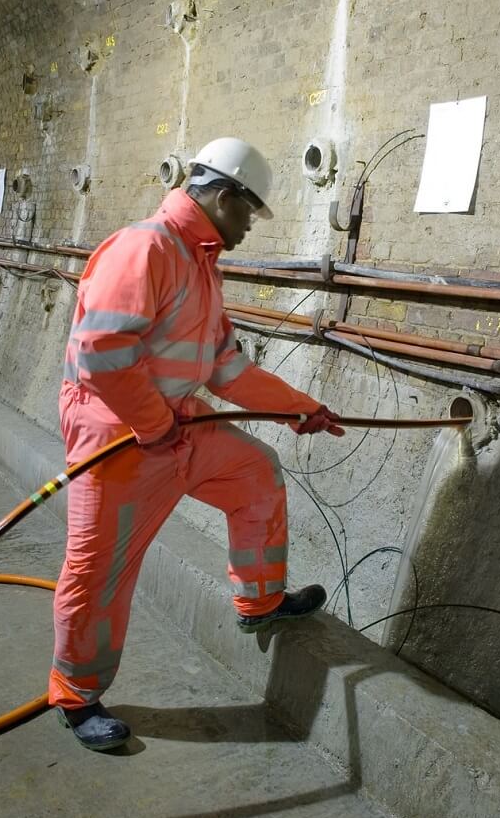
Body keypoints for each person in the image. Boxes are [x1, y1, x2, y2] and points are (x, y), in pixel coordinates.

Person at [51, 136, 345, 751]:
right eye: (247, 212)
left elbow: (225, 368)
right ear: (221, 195)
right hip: (118, 437)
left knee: (256, 476)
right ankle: (76, 696)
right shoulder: (146, 248)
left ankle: (259, 600)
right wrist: (154, 425)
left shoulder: (201, 266)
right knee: (98, 573)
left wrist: (300, 407)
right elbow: (102, 352)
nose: (248, 229)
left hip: (178, 428)